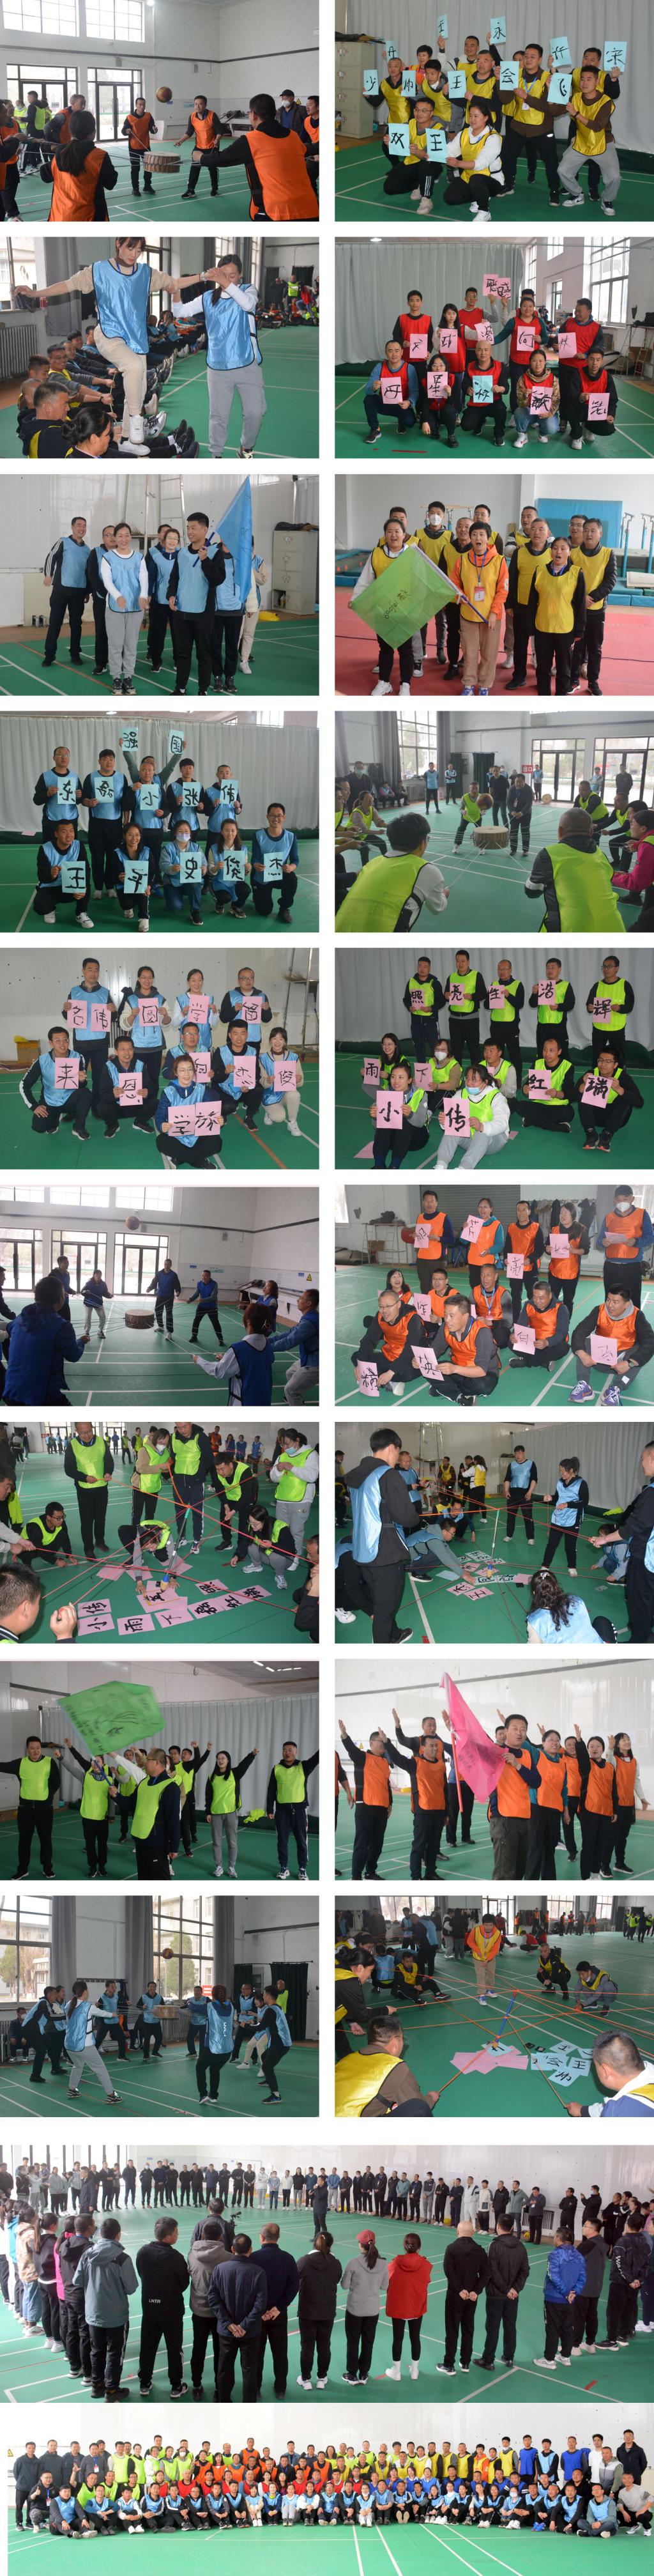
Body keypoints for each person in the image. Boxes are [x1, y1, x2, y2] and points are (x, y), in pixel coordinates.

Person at [3, 1273, 86, 1405]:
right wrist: (82, 1341)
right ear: (60, 1299)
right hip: (42, 1396)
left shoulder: (20, 1319)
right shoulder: (62, 1327)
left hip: (11, 1392)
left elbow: (9, 1327)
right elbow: (73, 1355)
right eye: (63, 1294)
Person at [136, 2214, 190, 2397]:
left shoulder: (143, 2252)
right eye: (176, 2232)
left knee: (148, 2347)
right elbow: (184, 2283)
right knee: (175, 2349)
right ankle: (176, 2386)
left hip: (150, 2309)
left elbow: (142, 2273)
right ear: (168, 2236)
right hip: (172, 2311)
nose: (178, 2235)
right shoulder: (176, 2257)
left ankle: (144, 2383)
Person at [476, 2213, 530, 2370]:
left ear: (498, 2226)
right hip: (513, 2296)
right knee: (510, 2326)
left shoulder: (494, 2246)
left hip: (496, 2294)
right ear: (513, 2227)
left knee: (492, 2327)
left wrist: (507, 2289)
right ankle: (509, 2357)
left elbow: (492, 2271)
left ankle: (488, 2360)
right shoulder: (521, 2246)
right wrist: (515, 2289)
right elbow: (525, 2270)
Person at [439, 2221, 489, 2374]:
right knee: (468, 2329)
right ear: (473, 2232)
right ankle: (465, 2362)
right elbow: (486, 2273)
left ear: (458, 2232)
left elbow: (449, 2271)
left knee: (452, 2330)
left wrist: (460, 2290)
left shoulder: (452, 2249)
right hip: (471, 2298)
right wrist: (476, 2291)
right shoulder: (480, 2251)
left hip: (455, 2297)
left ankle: (449, 2364)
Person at [266, 1739, 319, 1881]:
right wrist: (270, 1809)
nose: (287, 1753)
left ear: (296, 1752)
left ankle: (302, 1869)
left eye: (290, 1750)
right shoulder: (276, 1769)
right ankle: (284, 1868)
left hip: (300, 1811)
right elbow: (271, 1790)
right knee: (282, 1841)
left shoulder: (304, 1766)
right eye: (285, 1750)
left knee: (302, 1841)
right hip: (281, 1812)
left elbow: (317, 1757)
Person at [341, 2232, 390, 2385]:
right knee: (368, 2342)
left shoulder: (353, 2263)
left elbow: (344, 2285)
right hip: (373, 2310)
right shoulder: (383, 2264)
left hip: (355, 2309)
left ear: (361, 2245)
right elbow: (385, 2286)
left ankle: (351, 2373)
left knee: (353, 2341)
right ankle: (364, 2373)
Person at [296, 2229, 342, 2389]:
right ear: (330, 2245)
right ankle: (322, 2378)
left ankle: (306, 2380)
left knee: (307, 2347)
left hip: (307, 2312)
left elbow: (295, 2280)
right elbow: (336, 2279)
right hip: (327, 2312)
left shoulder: (303, 2261)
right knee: (324, 2346)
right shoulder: (336, 2263)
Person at [384, 2232, 432, 2381]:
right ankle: (415, 2371)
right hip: (416, 2307)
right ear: (419, 2248)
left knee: (397, 2339)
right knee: (415, 2338)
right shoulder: (425, 2264)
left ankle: (396, 2371)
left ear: (405, 2246)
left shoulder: (395, 2263)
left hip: (399, 2306)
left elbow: (387, 2280)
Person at [65, 1984, 123, 2106]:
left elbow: (85, 2011)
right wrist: (113, 2015)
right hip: (85, 2046)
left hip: (70, 2045)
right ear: (85, 1991)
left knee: (78, 2066)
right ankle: (112, 2096)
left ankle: (72, 2090)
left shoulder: (69, 2004)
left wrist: (94, 2007)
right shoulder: (88, 2007)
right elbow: (103, 2013)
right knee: (101, 2069)